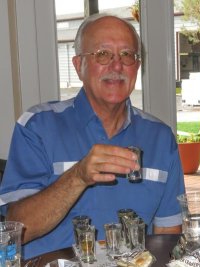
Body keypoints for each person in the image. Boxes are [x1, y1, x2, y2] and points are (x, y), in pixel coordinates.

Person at [0, 14, 185, 259]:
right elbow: (18, 230)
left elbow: (168, 236)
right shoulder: (38, 126)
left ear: (137, 67)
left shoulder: (160, 137)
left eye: (127, 55)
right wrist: (78, 176)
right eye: (102, 54)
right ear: (78, 66)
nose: (117, 66)